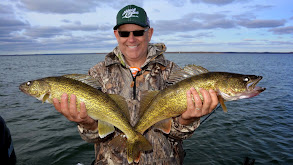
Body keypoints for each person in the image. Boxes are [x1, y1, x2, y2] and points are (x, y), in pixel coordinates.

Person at [53, 5, 218, 165]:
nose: (131, 39)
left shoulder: (172, 73)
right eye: (124, 33)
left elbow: (177, 136)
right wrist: (87, 124)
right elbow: (94, 137)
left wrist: (186, 120)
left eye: (138, 32)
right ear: (116, 35)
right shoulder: (97, 74)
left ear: (150, 33)